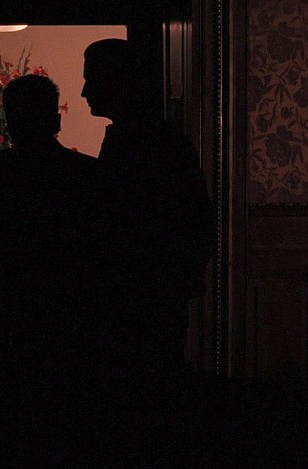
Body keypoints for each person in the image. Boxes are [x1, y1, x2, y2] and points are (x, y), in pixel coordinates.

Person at [80, 38, 215, 466]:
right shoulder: (148, 139)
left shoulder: (146, 144)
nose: (84, 92)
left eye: (91, 80)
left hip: (140, 300)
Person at [0, 74, 97, 468]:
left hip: (4, 337)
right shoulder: (87, 175)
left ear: (8, 121)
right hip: (69, 338)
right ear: (56, 120)